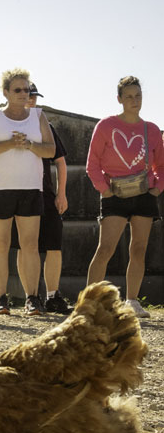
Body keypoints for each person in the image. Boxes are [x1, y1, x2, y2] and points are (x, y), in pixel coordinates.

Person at [0, 69, 55, 316]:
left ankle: (32, 298)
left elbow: (50, 151)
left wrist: (30, 145)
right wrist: (10, 143)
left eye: (27, 90)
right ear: (6, 92)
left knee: (30, 245)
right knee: (0, 244)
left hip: (30, 187)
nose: (24, 94)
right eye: (18, 90)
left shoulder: (38, 116)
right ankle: (1, 298)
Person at [86, 75, 164, 318]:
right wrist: (106, 190)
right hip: (114, 195)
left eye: (138, 95)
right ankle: (89, 304)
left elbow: (160, 166)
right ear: (119, 99)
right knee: (105, 249)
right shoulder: (106, 125)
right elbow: (92, 164)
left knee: (138, 249)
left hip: (144, 195)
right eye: (129, 96)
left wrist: (156, 189)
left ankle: (132, 301)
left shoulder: (151, 129)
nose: (134, 100)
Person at [14, 83, 71, 315]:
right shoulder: (8, 124)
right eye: (27, 95)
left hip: (45, 194)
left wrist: (61, 193)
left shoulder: (45, 125)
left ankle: (52, 296)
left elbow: (60, 161)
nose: (31, 100)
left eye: (34, 96)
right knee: (23, 246)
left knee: (54, 245)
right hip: (19, 192)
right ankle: (31, 297)